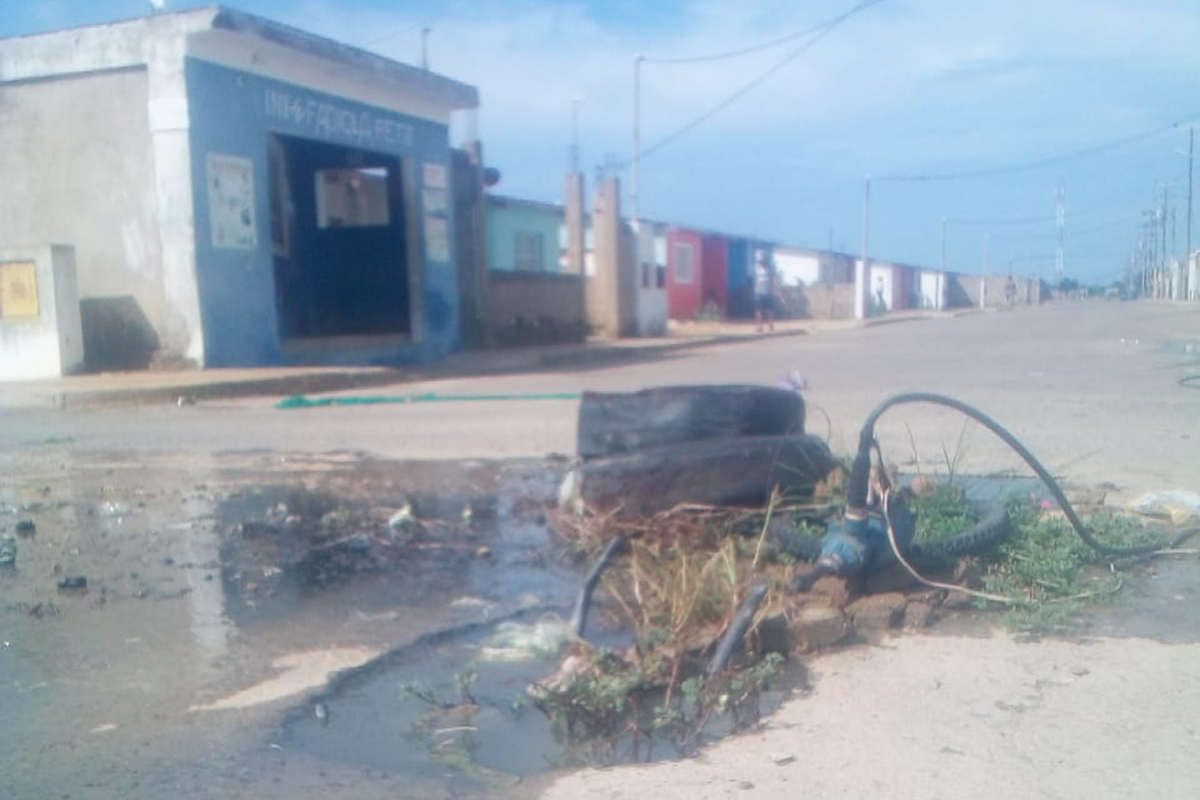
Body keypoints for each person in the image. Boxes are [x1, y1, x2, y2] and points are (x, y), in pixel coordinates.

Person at [753, 250, 776, 333]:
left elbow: (773, 279)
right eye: (759, 260)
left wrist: (773, 289)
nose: (761, 262)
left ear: (765, 259)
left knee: (769, 310)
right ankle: (759, 327)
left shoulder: (770, 268)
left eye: (762, 260)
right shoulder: (755, 267)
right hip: (758, 292)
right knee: (758, 310)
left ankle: (771, 325)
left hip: (768, 292)